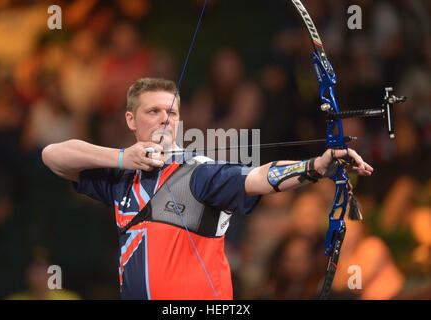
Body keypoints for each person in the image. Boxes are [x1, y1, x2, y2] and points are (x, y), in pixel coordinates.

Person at [41, 77, 373, 300]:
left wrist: (314, 167)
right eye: (153, 111)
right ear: (131, 120)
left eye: (171, 113)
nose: (164, 120)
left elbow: (257, 178)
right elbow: (53, 156)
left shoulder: (198, 172)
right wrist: (121, 157)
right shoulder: (121, 177)